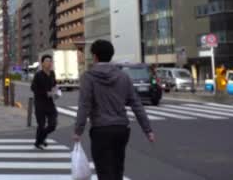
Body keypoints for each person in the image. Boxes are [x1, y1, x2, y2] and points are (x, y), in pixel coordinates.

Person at [73, 39, 155, 180]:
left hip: (100, 129)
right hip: (121, 129)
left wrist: (78, 130)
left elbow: (84, 105)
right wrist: (148, 130)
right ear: (110, 55)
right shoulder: (123, 76)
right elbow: (136, 104)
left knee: (104, 170)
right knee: (117, 169)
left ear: (95, 56)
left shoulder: (88, 77)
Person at [30, 54, 58, 150]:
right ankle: (39, 141)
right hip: (40, 103)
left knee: (52, 124)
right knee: (41, 125)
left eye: (50, 61)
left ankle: (40, 139)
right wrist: (46, 93)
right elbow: (33, 88)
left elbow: (54, 85)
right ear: (42, 63)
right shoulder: (38, 75)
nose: (49, 63)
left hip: (50, 103)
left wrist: (56, 92)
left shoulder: (52, 73)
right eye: (47, 61)